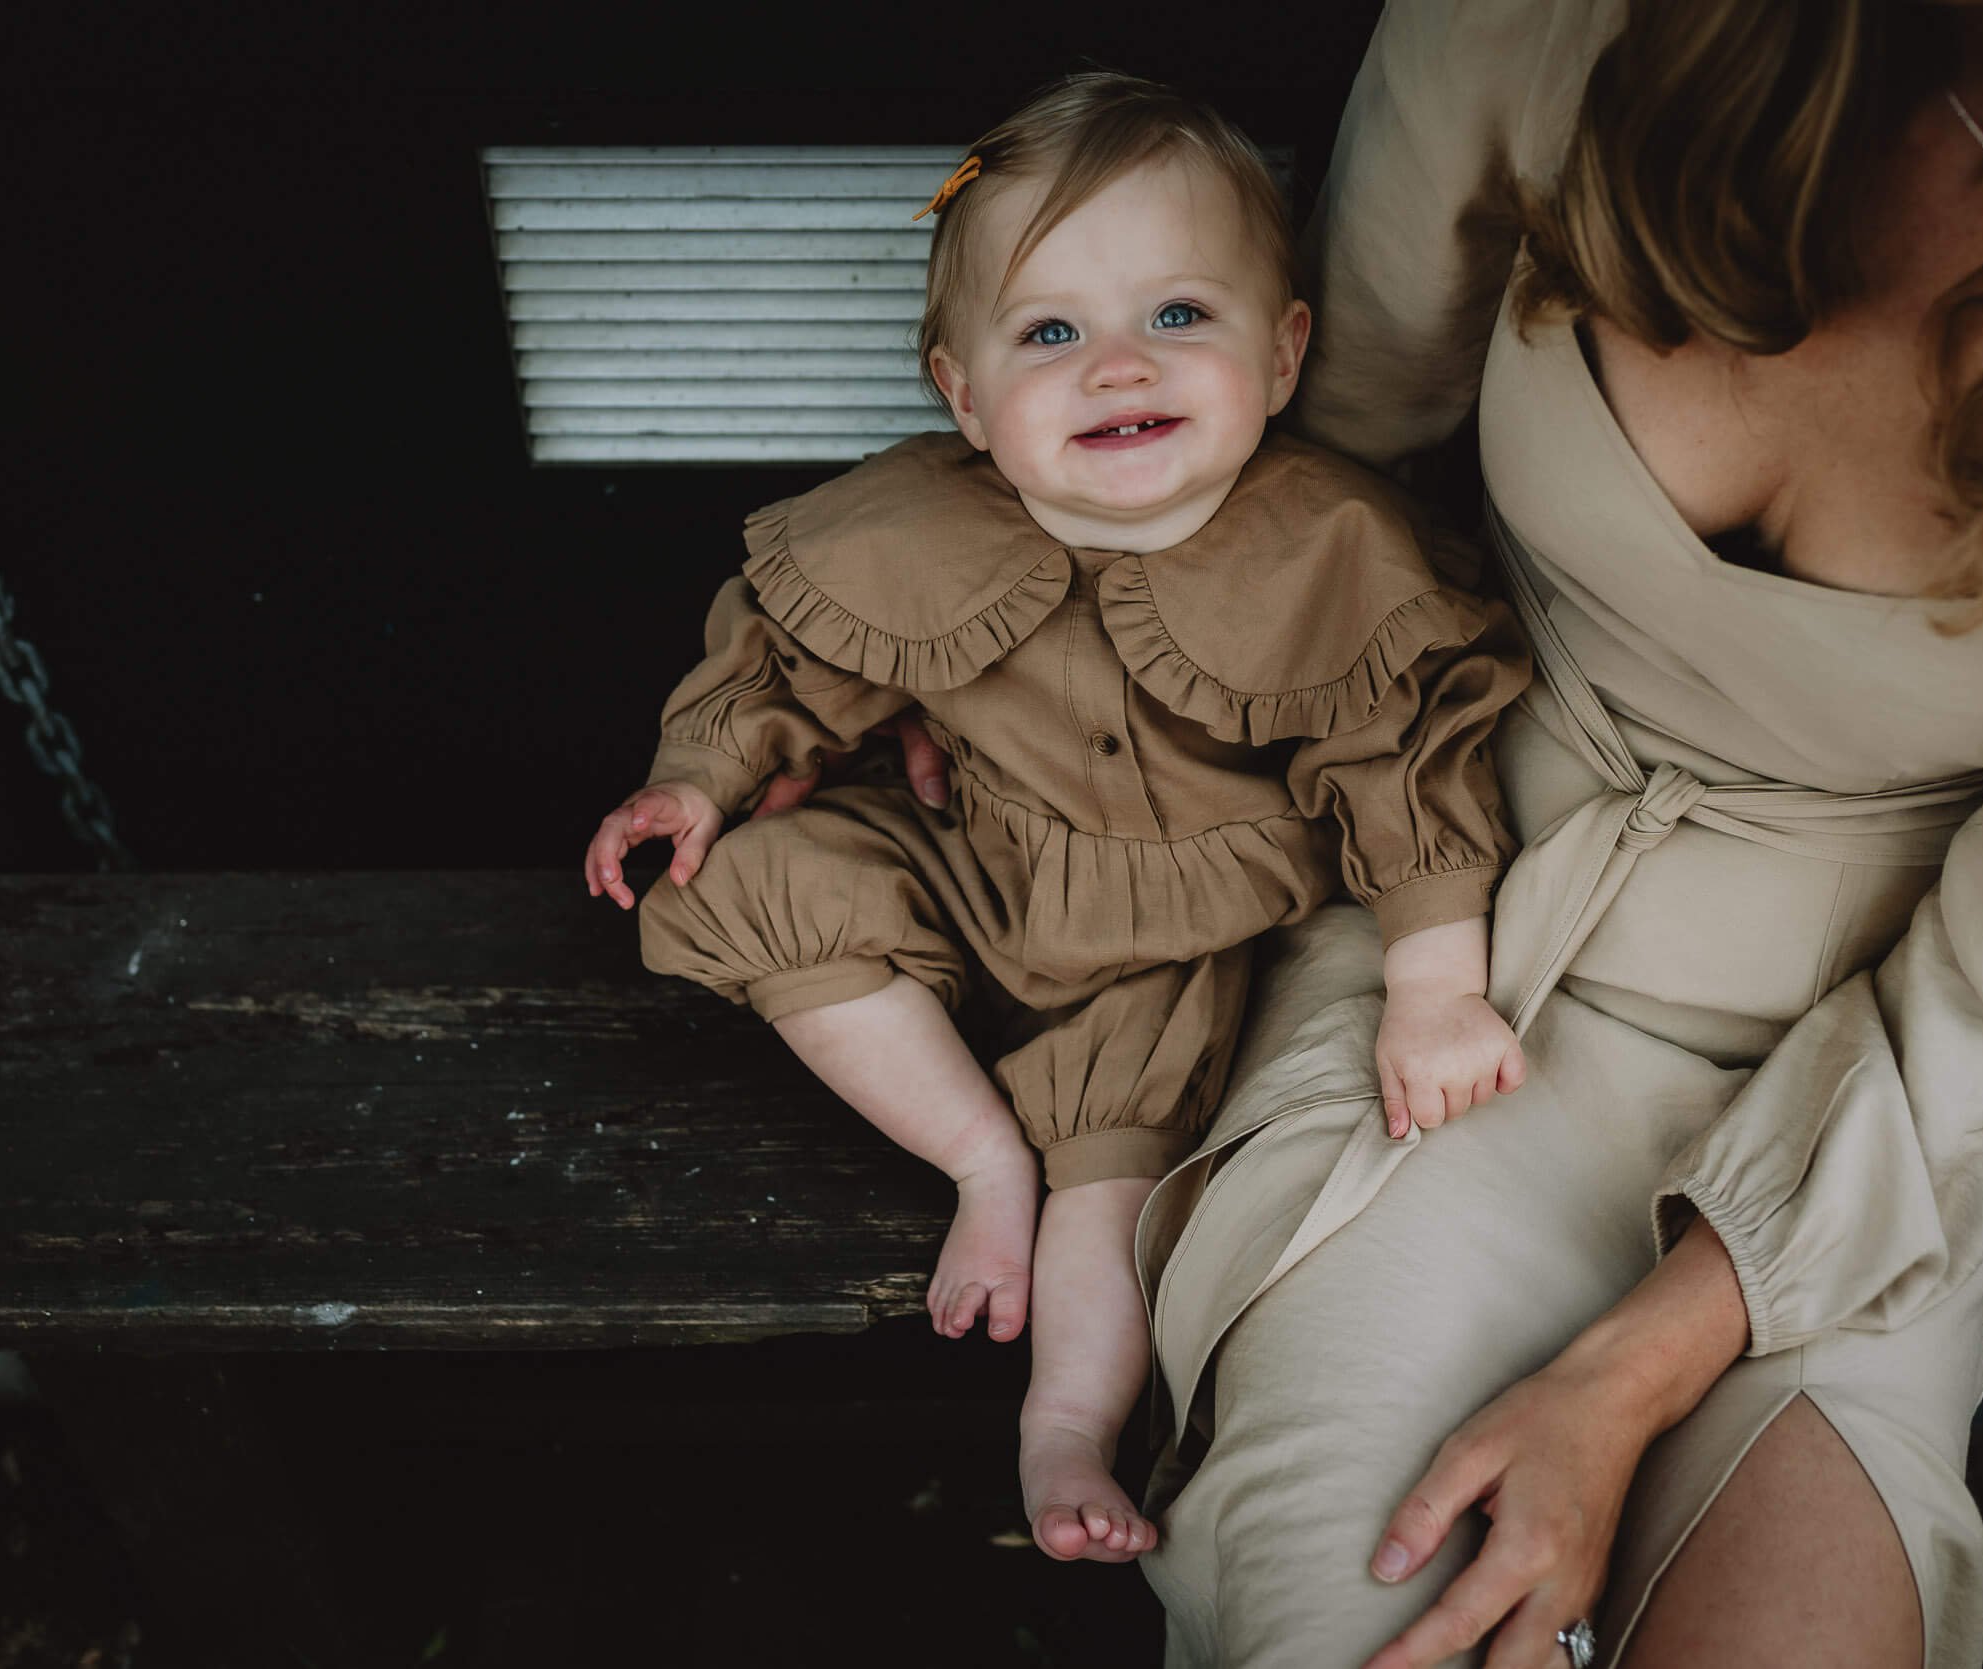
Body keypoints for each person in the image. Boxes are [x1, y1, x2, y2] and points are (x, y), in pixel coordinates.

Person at [1119, 1, 1983, 1666]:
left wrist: (1627, 1377)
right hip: (1440, 978)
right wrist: (975, 704)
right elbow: (1303, 489)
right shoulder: (1562, 27)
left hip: (1865, 1118)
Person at [582, 73, 1532, 1564]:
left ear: (1282, 353)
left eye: (1176, 317)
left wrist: (1436, 986)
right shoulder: (913, 522)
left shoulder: (1331, 548)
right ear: (963, 395)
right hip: (963, 867)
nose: (1114, 367)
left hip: (1160, 947)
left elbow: (1401, 760)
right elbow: (786, 662)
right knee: (758, 884)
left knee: (1118, 1167)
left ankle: (1066, 1428)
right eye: (1049, 333)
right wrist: (693, 779)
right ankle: (977, 1157)